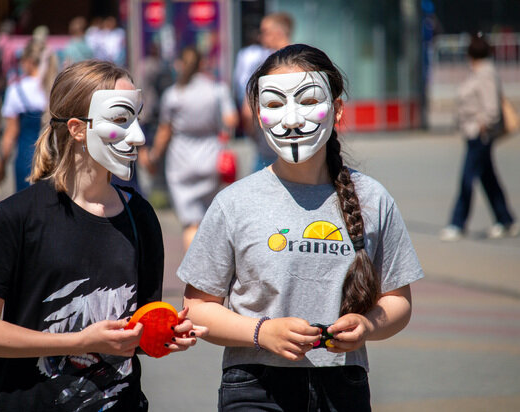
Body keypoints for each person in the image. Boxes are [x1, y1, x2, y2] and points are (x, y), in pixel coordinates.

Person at [178, 44, 424, 411]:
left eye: (308, 101)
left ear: (337, 108)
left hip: (342, 385)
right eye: (275, 105)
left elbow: (397, 300)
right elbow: (196, 308)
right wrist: (262, 333)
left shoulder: (372, 198)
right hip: (255, 385)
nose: (292, 119)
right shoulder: (235, 202)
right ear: (259, 114)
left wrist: (368, 326)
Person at [0, 60, 207, 411]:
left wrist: (164, 334)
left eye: (137, 118)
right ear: (78, 129)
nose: (139, 135)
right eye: (121, 120)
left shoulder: (139, 216)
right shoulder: (18, 216)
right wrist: (78, 341)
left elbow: (133, 335)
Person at [147, 46, 238, 251]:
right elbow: (231, 120)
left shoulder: (173, 94)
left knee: (190, 224)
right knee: (208, 220)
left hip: (180, 160)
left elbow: (164, 132)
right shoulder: (217, 89)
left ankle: (195, 274)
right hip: (210, 156)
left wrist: (153, 157)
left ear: (180, 65)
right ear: (202, 64)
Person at [440, 33, 518, 241]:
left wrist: (482, 126)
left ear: (471, 54)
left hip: (479, 136)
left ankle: (457, 222)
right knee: (488, 178)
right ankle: (506, 219)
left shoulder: (485, 74)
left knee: (467, 179)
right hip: (474, 134)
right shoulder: (479, 72)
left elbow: (492, 108)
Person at [235, 12, 294, 171]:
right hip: (302, 146)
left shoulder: (266, 65)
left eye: (264, 31)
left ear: (278, 32)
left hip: (269, 148)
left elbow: (247, 113)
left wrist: (255, 137)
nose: (261, 37)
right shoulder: (304, 60)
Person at [0, 38, 54, 192]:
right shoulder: (54, 87)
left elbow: (10, 134)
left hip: (27, 160)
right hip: (54, 159)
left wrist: (2, 164)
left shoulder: (17, 90)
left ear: (28, 61)